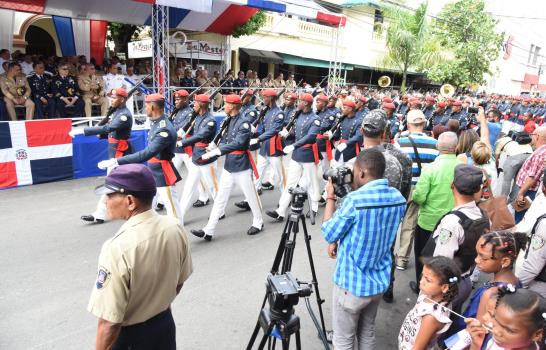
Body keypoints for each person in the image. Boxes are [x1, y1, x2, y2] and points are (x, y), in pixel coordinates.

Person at [87, 164, 192, 349]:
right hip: (164, 327)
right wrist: (157, 304)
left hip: (131, 338)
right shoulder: (174, 227)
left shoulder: (117, 247)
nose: (105, 201)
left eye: (110, 195)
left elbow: (109, 322)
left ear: (130, 201)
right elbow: (179, 282)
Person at [322, 148, 406, 350]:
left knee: (343, 339)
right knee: (367, 331)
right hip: (378, 282)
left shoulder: (354, 201)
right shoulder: (397, 198)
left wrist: (331, 198)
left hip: (351, 285)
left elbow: (329, 233)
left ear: (361, 173)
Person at [98, 93, 183, 225]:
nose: (145, 108)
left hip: (162, 172)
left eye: (147, 105)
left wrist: (116, 161)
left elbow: (147, 153)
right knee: (148, 208)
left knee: (173, 209)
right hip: (154, 171)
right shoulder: (157, 123)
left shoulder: (164, 128)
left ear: (153, 106)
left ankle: (179, 237)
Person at [190, 94, 264, 240]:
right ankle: (209, 230)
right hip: (229, 166)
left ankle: (258, 221)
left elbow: (239, 143)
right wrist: (213, 145)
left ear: (232, 106)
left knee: (251, 197)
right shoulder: (228, 120)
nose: (224, 106)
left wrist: (217, 151)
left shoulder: (243, 123)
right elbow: (223, 137)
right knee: (220, 199)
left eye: (226, 104)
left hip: (241, 166)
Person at [429, 164, 490, 312]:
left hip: (447, 286)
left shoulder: (452, 223)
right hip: (465, 281)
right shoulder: (483, 216)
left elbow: (441, 265)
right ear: (477, 190)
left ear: (452, 185)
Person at [411, 132, 460, 294]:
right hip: (454, 222)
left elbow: (419, 196)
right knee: (445, 260)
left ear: (438, 146)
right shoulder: (461, 167)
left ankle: (423, 287)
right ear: (457, 147)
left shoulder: (431, 168)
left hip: (428, 221)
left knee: (423, 258)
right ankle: (441, 288)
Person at [75, 87, 133, 224]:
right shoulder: (117, 111)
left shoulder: (124, 115)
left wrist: (85, 130)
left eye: (114, 98)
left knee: (111, 184)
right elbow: (110, 131)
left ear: (123, 99)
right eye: (111, 97)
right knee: (125, 184)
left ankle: (99, 214)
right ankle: (154, 201)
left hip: (121, 153)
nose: (111, 100)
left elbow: (109, 129)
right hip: (115, 152)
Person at [449, 231, 524, 335]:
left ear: (505, 261)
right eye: (477, 254)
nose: (476, 260)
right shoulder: (515, 281)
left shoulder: (491, 293)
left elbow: (478, 334)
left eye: (483, 257)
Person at [395, 110, 440, 270]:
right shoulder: (435, 144)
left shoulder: (400, 142)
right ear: (424, 124)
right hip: (427, 186)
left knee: (407, 223)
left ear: (408, 124)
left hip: (406, 187)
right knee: (423, 223)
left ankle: (401, 258)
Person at [266, 93, 322, 222]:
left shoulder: (315, 119)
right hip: (297, 155)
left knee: (312, 182)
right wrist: (286, 134)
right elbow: (295, 132)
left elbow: (311, 136)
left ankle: (314, 207)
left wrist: (294, 145)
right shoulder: (297, 115)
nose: (298, 103)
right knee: (290, 183)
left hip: (308, 154)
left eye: (301, 101)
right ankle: (280, 211)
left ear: (306, 103)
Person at [398, 256, 461, 350]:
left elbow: (418, 348)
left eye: (428, 280)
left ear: (444, 287)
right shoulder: (429, 294)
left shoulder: (431, 317)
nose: (421, 281)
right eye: (422, 275)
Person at [177, 94, 219, 225]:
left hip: (207, 157)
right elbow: (189, 127)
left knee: (213, 188)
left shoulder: (210, 120)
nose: (193, 105)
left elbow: (201, 135)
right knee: (189, 187)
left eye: (195, 103)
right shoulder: (197, 117)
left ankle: (219, 211)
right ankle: (180, 216)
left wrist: (183, 142)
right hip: (196, 156)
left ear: (201, 105)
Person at [465, 288, 545, 350]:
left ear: (537, 334)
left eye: (509, 330)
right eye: (495, 320)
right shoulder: (501, 343)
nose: (496, 332)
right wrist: (476, 344)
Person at [170, 89, 210, 208]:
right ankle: (162, 199)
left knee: (195, 174)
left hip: (187, 148)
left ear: (186, 100)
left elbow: (185, 129)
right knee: (170, 172)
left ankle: (204, 197)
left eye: (178, 99)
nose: (176, 101)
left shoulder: (190, 112)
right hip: (176, 148)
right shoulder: (176, 111)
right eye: (175, 99)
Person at [512, 126, 546, 222]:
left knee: (519, 216)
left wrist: (521, 193)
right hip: (528, 190)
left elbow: (532, 177)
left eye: (532, 134)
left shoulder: (540, 153)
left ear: (537, 136)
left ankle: (517, 235)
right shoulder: (541, 150)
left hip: (528, 191)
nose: (530, 137)